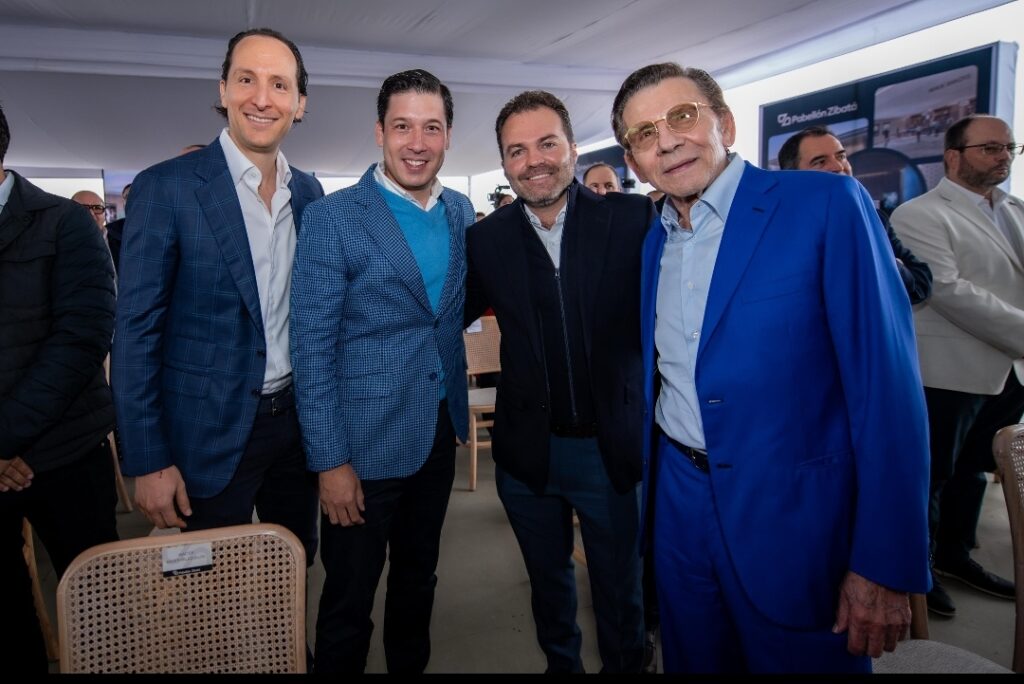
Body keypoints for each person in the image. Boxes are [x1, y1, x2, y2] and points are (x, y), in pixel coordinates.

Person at [611, 62, 930, 673]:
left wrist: (885, 561)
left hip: (796, 514)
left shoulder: (826, 205)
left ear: (725, 124)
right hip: (679, 502)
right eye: (645, 133)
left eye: (682, 116)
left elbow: (887, 392)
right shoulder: (654, 242)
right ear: (634, 160)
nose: (668, 141)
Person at [112, 28, 323, 565]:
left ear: (300, 103)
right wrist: (148, 460)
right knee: (203, 587)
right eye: (246, 80)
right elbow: (135, 331)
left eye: (280, 85)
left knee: (289, 571)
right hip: (200, 436)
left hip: (293, 430)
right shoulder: (167, 187)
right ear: (223, 89)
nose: (262, 98)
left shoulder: (309, 193)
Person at [290, 69, 475, 674]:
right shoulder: (333, 217)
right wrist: (330, 462)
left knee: (418, 580)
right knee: (349, 598)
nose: (417, 143)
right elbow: (311, 349)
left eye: (431, 128)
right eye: (402, 127)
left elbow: (448, 315)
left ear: (448, 136)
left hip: (436, 435)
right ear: (379, 132)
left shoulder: (460, 210)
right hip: (361, 450)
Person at [465, 90, 654, 673]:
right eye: (516, 150)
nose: (534, 161)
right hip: (527, 455)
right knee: (549, 593)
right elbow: (441, 317)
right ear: (504, 163)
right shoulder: (485, 240)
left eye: (547, 143)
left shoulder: (632, 220)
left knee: (621, 597)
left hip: (610, 451)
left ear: (573, 148)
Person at [0, 102, 119, 672]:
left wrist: (4, 439)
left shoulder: (63, 222)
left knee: (100, 616)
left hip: (64, 453)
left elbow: (81, 340)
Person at [890, 115, 1024, 617]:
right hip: (949, 371)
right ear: (953, 156)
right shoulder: (920, 214)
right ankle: (919, 573)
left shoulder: (1014, 209)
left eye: (1009, 147)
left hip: (1007, 369)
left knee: (975, 471)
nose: (1003, 156)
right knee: (933, 475)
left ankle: (955, 555)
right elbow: (948, 291)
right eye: (990, 148)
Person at [777, 126, 932, 304]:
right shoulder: (779, 228)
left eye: (841, 156)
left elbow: (921, 285)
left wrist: (881, 259)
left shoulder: (873, 219)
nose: (838, 166)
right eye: (820, 161)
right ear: (792, 176)